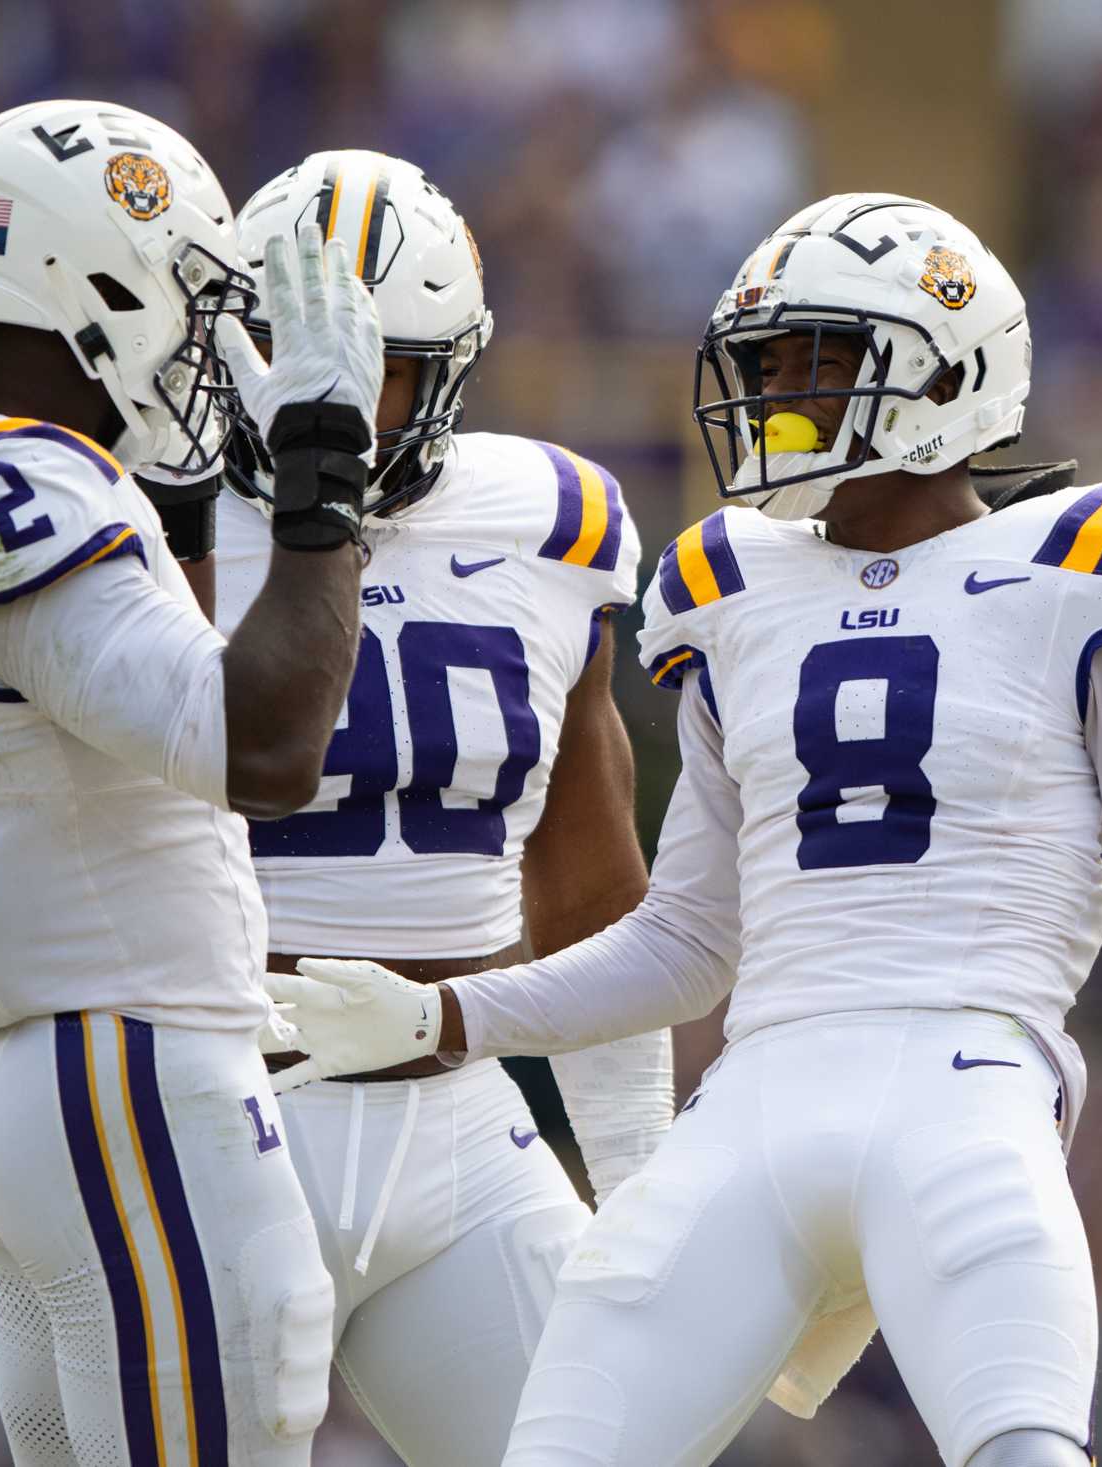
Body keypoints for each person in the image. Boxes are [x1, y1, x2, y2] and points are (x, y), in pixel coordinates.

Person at [270, 193, 1102, 1467]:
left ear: (943, 368)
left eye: (808, 361)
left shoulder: (1099, 559)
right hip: (752, 1105)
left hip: (973, 1084)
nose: (767, 393)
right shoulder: (728, 584)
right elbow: (686, 940)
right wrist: (450, 1018)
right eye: (761, 362)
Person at [0, 99, 386, 1466]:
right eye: (187, 295)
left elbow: (127, 679)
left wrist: (180, 498)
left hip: (17, 1067)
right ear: (97, 282)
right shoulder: (29, 487)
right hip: (124, 1067)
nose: (199, 337)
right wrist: (322, 469)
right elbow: (265, 746)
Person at [209, 148, 672, 1467]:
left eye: (383, 367)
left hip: (464, 1126)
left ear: (452, 370)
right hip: (223, 1110)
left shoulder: (553, 518)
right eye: (305, 355)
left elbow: (588, 887)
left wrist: (636, 1174)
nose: (340, 403)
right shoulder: (153, 517)